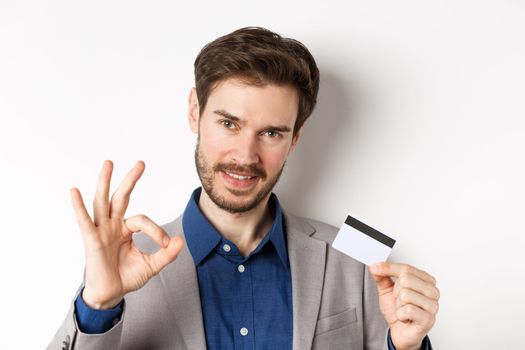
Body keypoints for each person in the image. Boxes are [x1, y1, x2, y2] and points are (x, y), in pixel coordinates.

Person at [48, 27, 439, 350]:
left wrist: (406, 348)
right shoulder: (125, 263)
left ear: (294, 139)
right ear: (194, 112)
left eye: (271, 132)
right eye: (228, 124)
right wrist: (97, 305)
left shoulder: (359, 254)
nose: (245, 155)